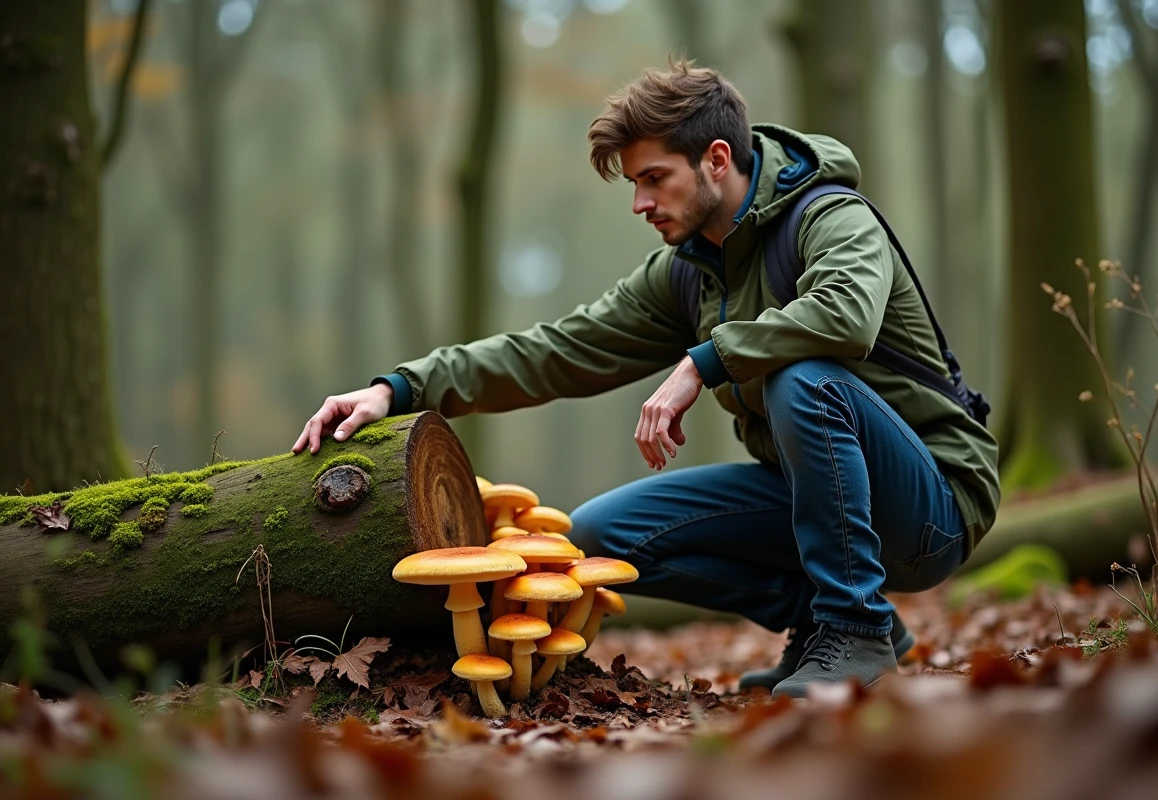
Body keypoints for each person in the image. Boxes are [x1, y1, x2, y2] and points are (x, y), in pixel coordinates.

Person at [292, 58, 1000, 698]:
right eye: (634, 184)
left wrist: (703, 361)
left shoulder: (831, 217)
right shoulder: (688, 275)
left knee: (801, 380)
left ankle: (857, 631)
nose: (640, 203)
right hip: (812, 498)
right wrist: (401, 387)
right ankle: (826, 625)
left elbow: (845, 317)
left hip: (933, 504)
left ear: (716, 159)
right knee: (600, 536)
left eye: (653, 178)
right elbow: (554, 350)